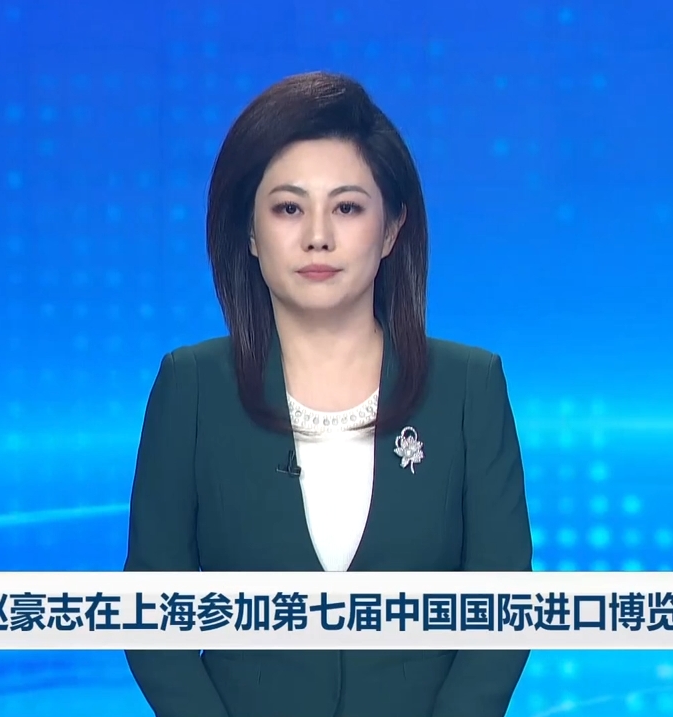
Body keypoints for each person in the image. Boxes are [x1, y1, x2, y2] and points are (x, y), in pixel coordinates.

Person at [123, 71, 533, 717]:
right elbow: (151, 614)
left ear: (392, 228)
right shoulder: (191, 387)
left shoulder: (468, 388)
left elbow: (503, 609)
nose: (318, 235)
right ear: (249, 233)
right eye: (289, 208)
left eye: (347, 208)